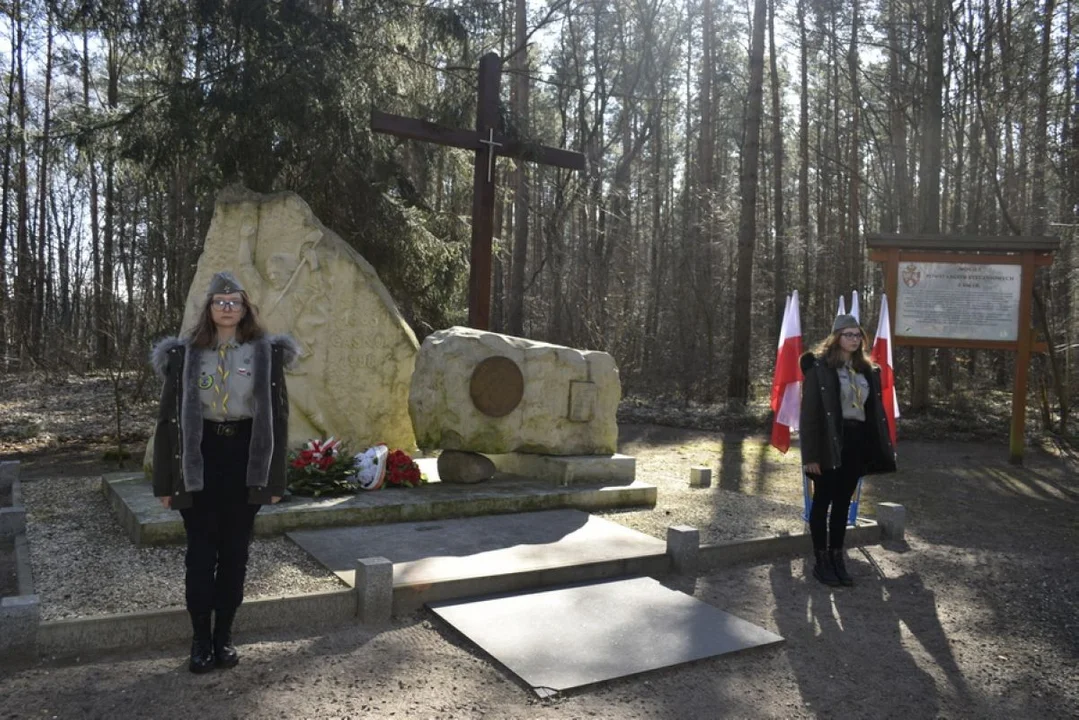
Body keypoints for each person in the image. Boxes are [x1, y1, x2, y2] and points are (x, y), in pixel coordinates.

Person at [151, 271, 298, 673]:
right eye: (220, 302)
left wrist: (274, 480)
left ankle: (224, 637)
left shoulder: (264, 354)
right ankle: (200, 640)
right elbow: (167, 421)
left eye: (234, 303)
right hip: (200, 457)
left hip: (244, 458)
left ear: (245, 308)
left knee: (235, 553)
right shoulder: (184, 354)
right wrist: (166, 483)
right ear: (210, 309)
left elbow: (278, 420)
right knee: (200, 554)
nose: (227, 308)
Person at [800, 313, 896, 587]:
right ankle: (821, 560)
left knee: (844, 503)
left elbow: (873, 413)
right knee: (822, 502)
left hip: (856, 444)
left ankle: (837, 556)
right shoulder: (819, 368)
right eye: (848, 334)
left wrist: (876, 447)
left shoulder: (868, 370)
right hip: (829, 442)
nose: (854, 340)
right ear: (836, 337)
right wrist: (811, 457)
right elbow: (810, 416)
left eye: (858, 335)